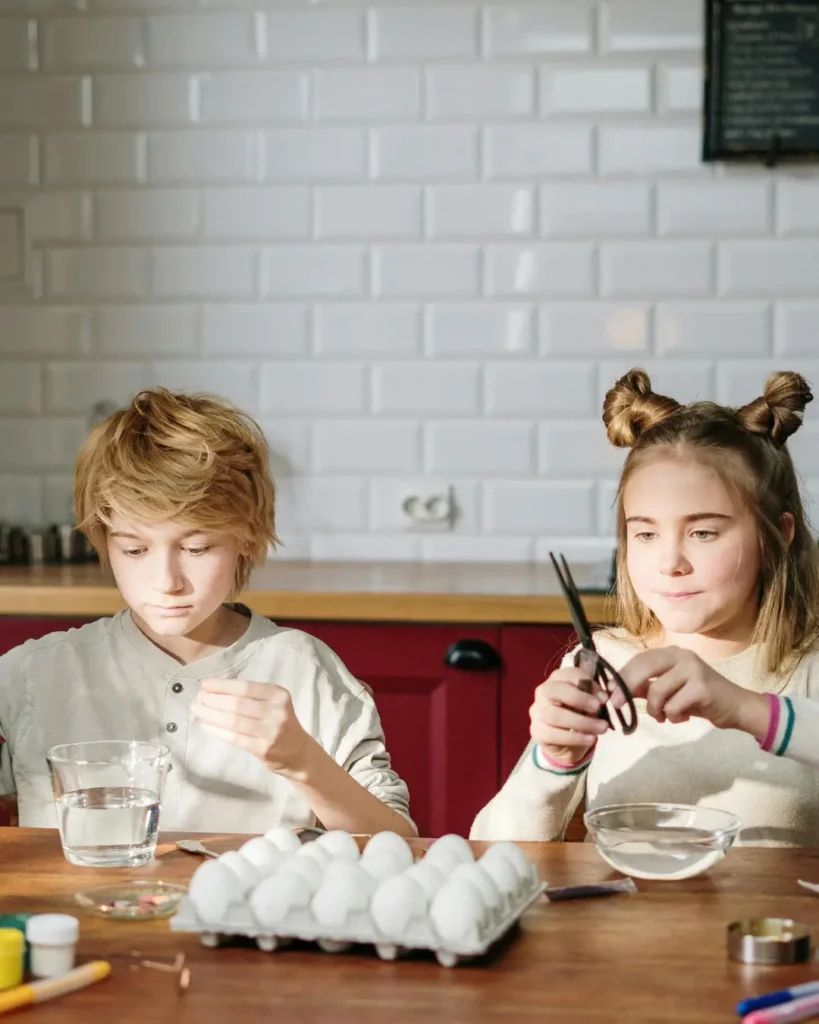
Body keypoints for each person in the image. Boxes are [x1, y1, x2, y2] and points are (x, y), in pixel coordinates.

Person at [0, 388, 415, 837]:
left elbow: (397, 842)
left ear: (247, 538)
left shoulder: (304, 670)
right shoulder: (33, 675)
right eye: (134, 549)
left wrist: (302, 761)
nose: (167, 581)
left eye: (196, 548)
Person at [471, 368, 819, 846]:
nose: (670, 563)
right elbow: (490, 850)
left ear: (777, 535)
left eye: (703, 532)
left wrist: (746, 709)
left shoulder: (809, 669)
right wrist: (552, 762)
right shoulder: (602, 664)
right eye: (646, 533)